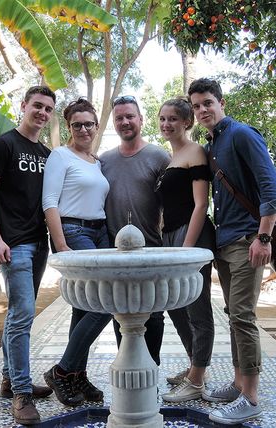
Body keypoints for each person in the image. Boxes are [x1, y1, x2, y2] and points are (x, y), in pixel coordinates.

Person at [188, 78, 276, 425]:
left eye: (207, 103)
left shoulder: (242, 134)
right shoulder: (212, 144)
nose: (202, 110)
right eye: (197, 106)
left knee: (242, 316)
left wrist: (264, 237)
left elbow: (271, 188)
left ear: (221, 102)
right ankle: (239, 383)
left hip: (247, 240)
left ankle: (251, 397)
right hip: (226, 242)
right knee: (234, 314)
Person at [0, 86, 55, 425]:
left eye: (48, 109)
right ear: (23, 106)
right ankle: (22, 393)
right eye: (37, 105)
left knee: (18, 315)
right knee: (22, 315)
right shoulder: (4, 144)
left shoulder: (47, 154)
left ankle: (10, 380)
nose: (42, 112)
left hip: (39, 244)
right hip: (14, 244)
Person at [42, 98, 111, 406]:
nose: (83, 129)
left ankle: (76, 376)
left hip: (100, 232)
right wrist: (61, 245)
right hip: (74, 232)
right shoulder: (60, 155)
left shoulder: (97, 162)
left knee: (83, 307)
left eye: (88, 124)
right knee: (105, 302)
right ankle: (61, 371)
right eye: (77, 124)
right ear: (69, 127)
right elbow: (49, 202)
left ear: (96, 126)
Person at [100, 95, 171, 366]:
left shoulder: (159, 157)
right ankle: (129, 367)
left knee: (154, 312)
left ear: (140, 119)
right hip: (114, 252)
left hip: (151, 248)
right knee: (121, 311)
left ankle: (151, 371)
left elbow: (172, 203)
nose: (125, 122)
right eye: (119, 118)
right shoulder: (104, 160)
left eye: (130, 116)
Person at [155, 98, 216, 402]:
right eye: (163, 119)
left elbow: (201, 204)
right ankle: (195, 366)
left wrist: (186, 249)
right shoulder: (171, 157)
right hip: (171, 237)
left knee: (197, 307)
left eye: (173, 119)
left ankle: (197, 380)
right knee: (176, 305)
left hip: (192, 237)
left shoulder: (195, 152)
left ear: (187, 122)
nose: (166, 124)